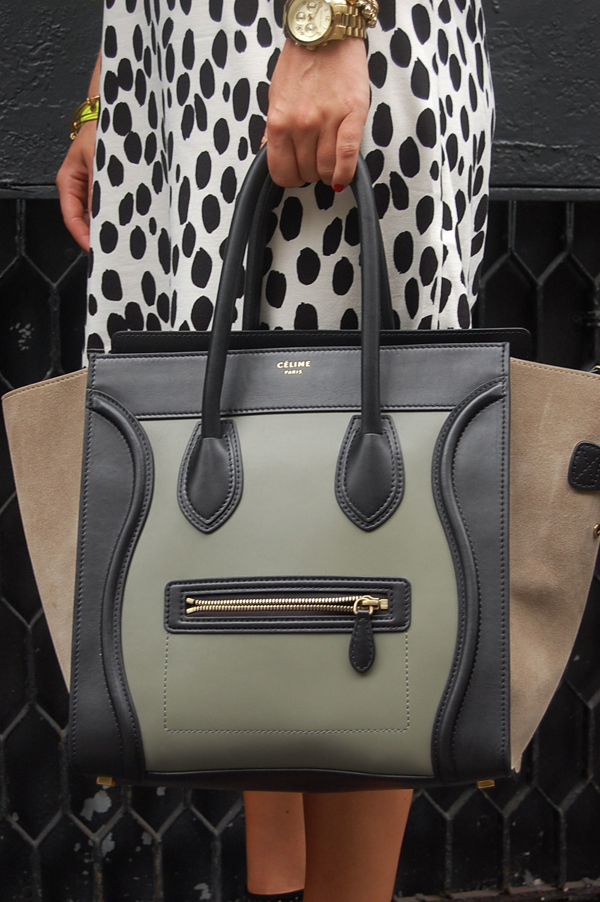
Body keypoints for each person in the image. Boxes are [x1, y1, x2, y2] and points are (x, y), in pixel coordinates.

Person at [57, 2, 494, 900]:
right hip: (183, 74)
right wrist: (111, 88)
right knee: (257, 496)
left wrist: (325, 32)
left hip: (319, 42)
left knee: (362, 519)